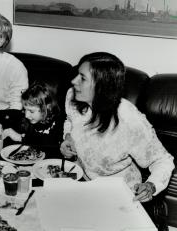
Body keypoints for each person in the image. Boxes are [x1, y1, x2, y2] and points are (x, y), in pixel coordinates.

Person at [60, 52, 174, 202]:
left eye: (82, 78)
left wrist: (151, 186)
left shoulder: (129, 119)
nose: (74, 81)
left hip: (120, 193)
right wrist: (68, 137)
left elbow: (162, 160)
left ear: (102, 86)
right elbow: (70, 120)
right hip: (81, 181)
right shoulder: (72, 96)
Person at [0, 81, 64, 157]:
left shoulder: (59, 121)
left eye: (31, 111)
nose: (26, 115)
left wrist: (21, 138)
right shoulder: (26, 118)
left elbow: (51, 144)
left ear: (47, 108)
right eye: (25, 109)